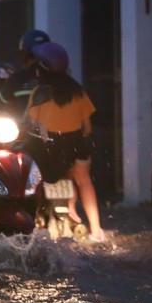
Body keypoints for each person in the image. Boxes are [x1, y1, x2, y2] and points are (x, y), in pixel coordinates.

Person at [27, 41, 105, 242]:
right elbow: (87, 128)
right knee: (84, 181)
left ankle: (40, 224)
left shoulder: (39, 92)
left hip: (50, 149)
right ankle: (96, 229)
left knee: (36, 177)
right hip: (76, 146)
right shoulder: (78, 90)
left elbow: (32, 124)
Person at [0, 29, 50, 117]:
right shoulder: (59, 77)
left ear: (24, 53)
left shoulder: (17, 78)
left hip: (22, 129)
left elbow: (0, 103)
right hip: (53, 128)